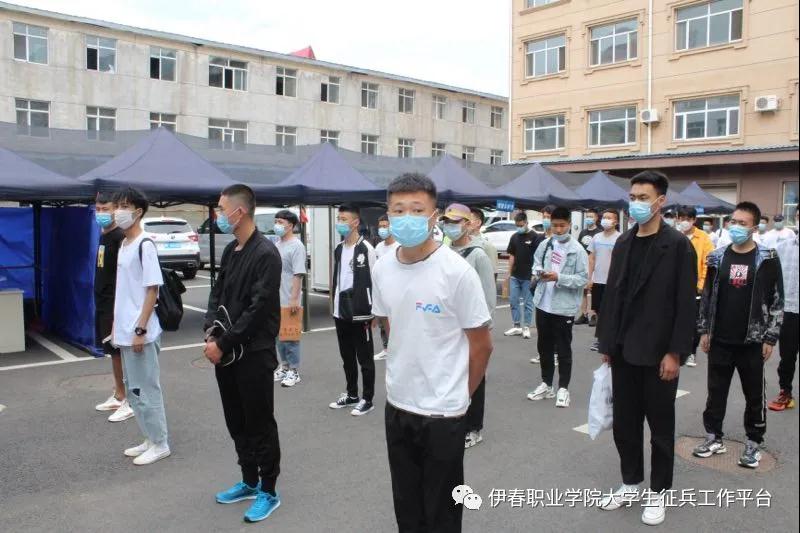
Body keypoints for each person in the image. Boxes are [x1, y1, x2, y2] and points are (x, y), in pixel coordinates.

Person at [372, 173, 492, 533]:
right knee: (406, 504)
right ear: (388, 214)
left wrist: (459, 395)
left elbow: (482, 345)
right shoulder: (382, 266)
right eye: (398, 210)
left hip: (443, 412)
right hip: (398, 404)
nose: (406, 217)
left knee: (442, 511)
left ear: (433, 216)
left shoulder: (457, 272)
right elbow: (390, 324)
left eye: (416, 209)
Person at [596, 171, 697, 526]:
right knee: (625, 425)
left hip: (659, 353)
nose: (636, 203)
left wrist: (676, 352)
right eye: (633, 197)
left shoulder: (678, 245)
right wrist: (607, 342)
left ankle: (659, 492)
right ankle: (630, 482)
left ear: (660, 201)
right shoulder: (624, 242)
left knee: (660, 428)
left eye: (643, 197)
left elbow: (685, 304)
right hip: (623, 349)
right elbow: (613, 297)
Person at [204, 184, 282, 523]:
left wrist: (223, 344)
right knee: (236, 420)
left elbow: (258, 309)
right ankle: (249, 480)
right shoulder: (230, 250)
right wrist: (211, 330)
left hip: (254, 354)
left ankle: (269, 490)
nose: (218, 215)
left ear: (240, 211)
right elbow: (217, 292)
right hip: (226, 353)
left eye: (222, 209)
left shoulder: (266, 254)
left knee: (259, 422)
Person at [694, 201, 784, 469]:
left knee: (754, 395)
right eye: (734, 222)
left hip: (752, 341)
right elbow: (707, 296)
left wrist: (770, 337)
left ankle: (754, 442)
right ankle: (714, 437)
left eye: (742, 223)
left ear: (754, 228)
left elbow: (777, 299)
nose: (736, 227)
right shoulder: (717, 257)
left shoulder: (767, 258)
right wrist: (704, 330)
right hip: (720, 339)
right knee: (715, 393)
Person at [111, 187, 170, 466]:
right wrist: (118, 327)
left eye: (123, 206)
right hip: (125, 330)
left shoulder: (145, 244)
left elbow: (152, 290)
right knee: (133, 390)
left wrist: (140, 329)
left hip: (140, 332)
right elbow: (125, 291)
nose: (117, 211)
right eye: (117, 206)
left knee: (147, 389)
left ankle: (160, 443)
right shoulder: (125, 244)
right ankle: (149, 437)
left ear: (138, 211)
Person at [441, 203, 497, 449]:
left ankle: (474, 428)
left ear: (467, 224)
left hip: (472, 329)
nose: (450, 226)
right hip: (448, 329)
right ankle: (454, 420)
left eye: (455, 222)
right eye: (447, 222)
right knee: (453, 375)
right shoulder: (444, 252)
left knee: (475, 376)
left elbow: (488, 297)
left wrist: (482, 331)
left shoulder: (478, 255)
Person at [526, 207, 588, 408]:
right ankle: (546, 384)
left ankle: (563, 388)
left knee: (563, 349)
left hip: (564, 307)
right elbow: (536, 264)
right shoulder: (545, 244)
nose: (558, 230)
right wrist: (539, 272)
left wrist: (558, 277)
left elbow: (583, 279)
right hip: (543, 303)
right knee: (544, 347)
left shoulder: (577, 250)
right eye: (555, 226)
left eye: (562, 225)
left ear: (569, 224)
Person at [329, 204, 377, 416]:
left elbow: (376, 281)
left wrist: (375, 311)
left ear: (355, 222)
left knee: (364, 358)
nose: (339, 223)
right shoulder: (339, 248)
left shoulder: (366, 248)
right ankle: (351, 394)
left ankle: (368, 398)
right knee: (347, 356)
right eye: (338, 219)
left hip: (361, 312)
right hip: (340, 311)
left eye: (343, 219)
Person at [92, 192, 134, 423]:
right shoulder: (104, 235)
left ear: (116, 210)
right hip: (103, 302)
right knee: (112, 351)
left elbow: (124, 277)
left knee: (120, 352)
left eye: (105, 209)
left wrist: (119, 309)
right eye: (98, 209)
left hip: (115, 304)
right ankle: (119, 394)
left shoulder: (120, 238)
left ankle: (130, 399)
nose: (101, 213)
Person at [677, 206, 715, 368]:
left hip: (695, 286)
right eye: (682, 218)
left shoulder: (703, 238)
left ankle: (691, 352)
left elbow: (708, 262)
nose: (684, 222)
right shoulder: (674, 235)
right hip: (675, 285)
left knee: (694, 322)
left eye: (688, 219)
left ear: (694, 220)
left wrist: (701, 284)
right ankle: (675, 350)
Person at [272, 209, 306, 388]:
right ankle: (284, 366)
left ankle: (294, 370)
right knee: (279, 336)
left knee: (290, 336)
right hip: (276, 298)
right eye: (276, 221)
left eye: (280, 222)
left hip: (290, 298)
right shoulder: (277, 244)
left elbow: (298, 273)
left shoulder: (297, 246)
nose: (277, 225)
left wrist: (294, 299)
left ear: (291, 225)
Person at [769, 210, 799, 411]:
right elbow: (772, 281)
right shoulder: (782, 248)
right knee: (787, 355)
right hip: (790, 309)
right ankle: (785, 392)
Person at [504, 211, 542, 339]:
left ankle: (526, 326)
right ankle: (516, 326)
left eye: (521, 225)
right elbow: (512, 255)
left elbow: (538, 257)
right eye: (517, 225)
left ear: (526, 223)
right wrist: (509, 272)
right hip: (515, 275)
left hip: (528, 276)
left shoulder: (535, 237)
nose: (519, 227)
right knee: (513, 300)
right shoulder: (514, 237)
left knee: (528, 303)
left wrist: (534, 274)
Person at [587, 209, 621, 351]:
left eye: (609, 217)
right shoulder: (596, 237)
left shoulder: (620, 238)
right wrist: (589, 277)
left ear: (616, 221)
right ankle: (600, 339)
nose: (605, 220)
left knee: (611, 311)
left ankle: (611, 339)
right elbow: (591, 258)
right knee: (599, 311)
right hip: (598, 280)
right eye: (604, 217)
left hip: (613, 282)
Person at [374, 214, 399, 361]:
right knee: (383, 321)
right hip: (381, 290)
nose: (382, 229)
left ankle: (396, 348)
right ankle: (386, 348)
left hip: (396, 290)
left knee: (395, 322)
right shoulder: (378, 247)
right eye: (380, 226)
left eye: (385, 226)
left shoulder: (399, 246)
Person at [576, 208, 602, 325]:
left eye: (591, 216)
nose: (589, 219)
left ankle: (594, 314)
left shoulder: (599, 233)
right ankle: (584, 314)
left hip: (595, 265)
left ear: (596, 218)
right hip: (583, 265)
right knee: (583, 290)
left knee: (594, 289)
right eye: (587, 216)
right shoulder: (583, 232)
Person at [468, 207, 499, 280]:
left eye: (468, 220)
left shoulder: (487, 246)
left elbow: (493, 275)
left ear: (478, 223)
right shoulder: (459, 243)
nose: (465, 223)